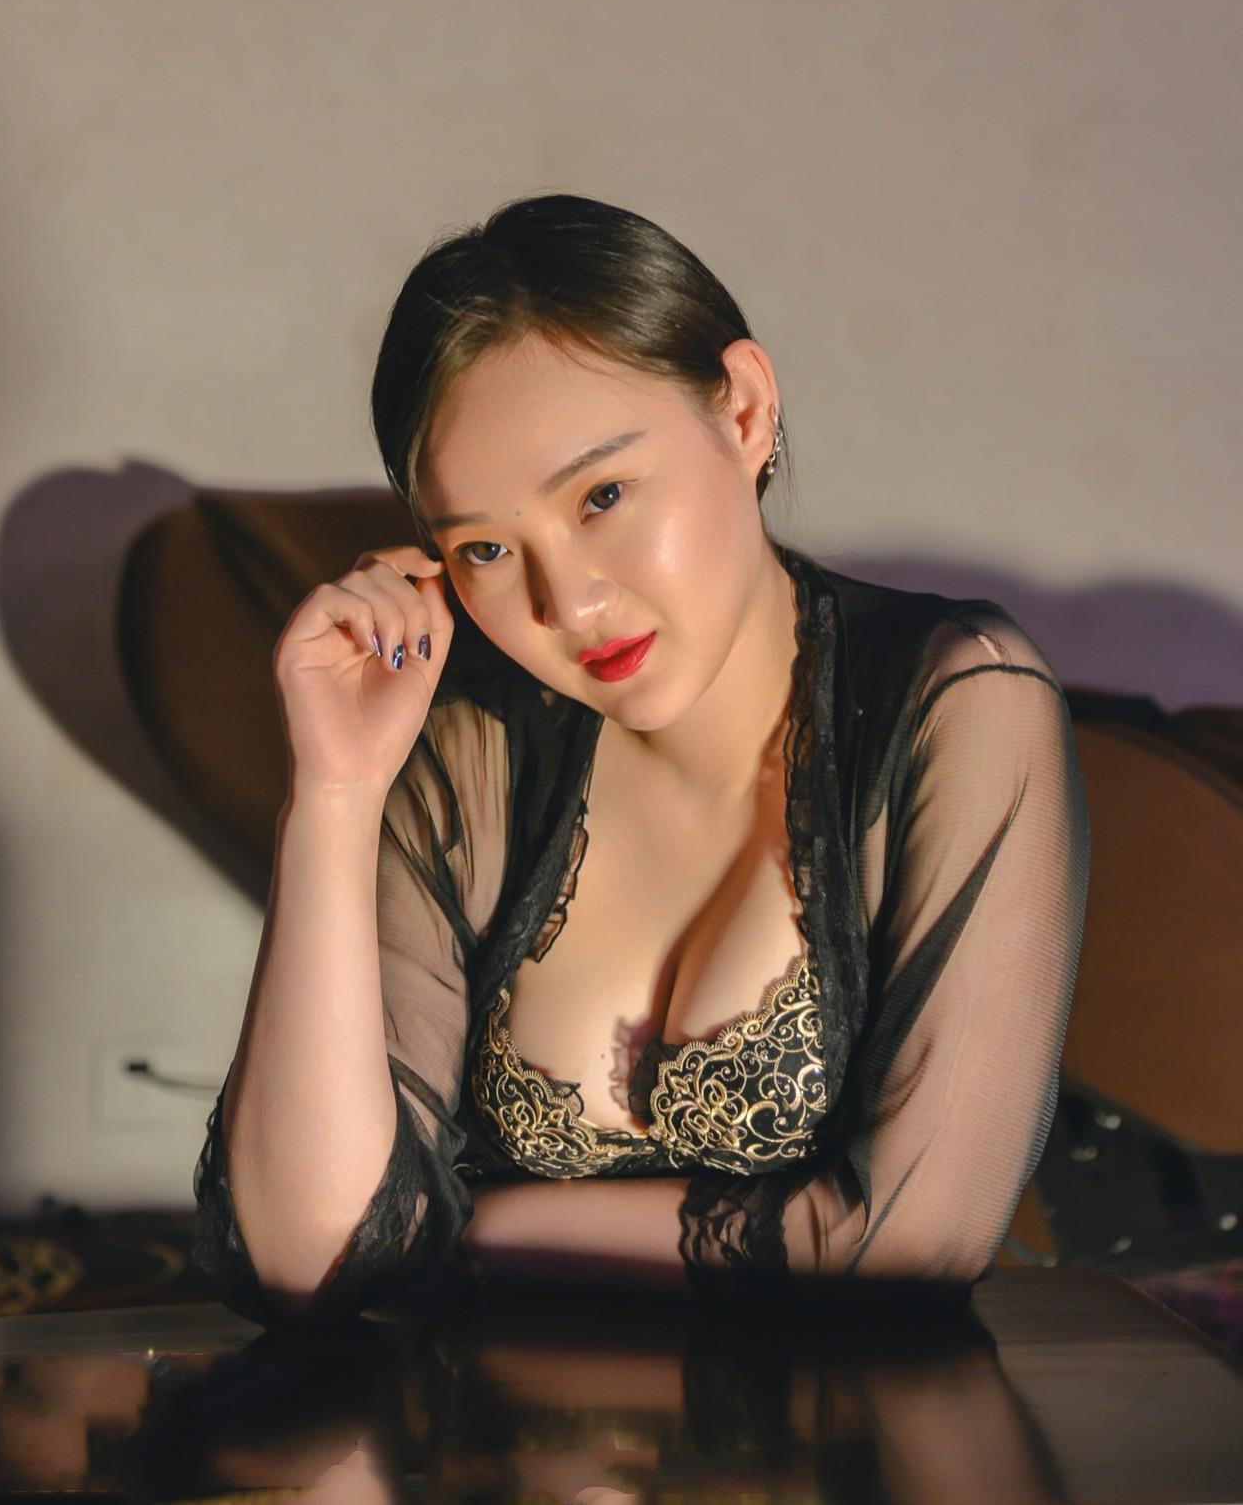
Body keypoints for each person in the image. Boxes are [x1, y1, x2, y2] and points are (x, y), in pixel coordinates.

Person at [190, 194, 1091, 1325]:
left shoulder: (957, 700)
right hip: (489, 1424)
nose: (567, 602)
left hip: (848, 1427)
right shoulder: (470, 755)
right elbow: (310, 1255)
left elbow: (911, 1236)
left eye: (603, 496)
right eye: (485, 548)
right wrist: (334, 794)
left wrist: (454, 1233)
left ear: (744, 410)